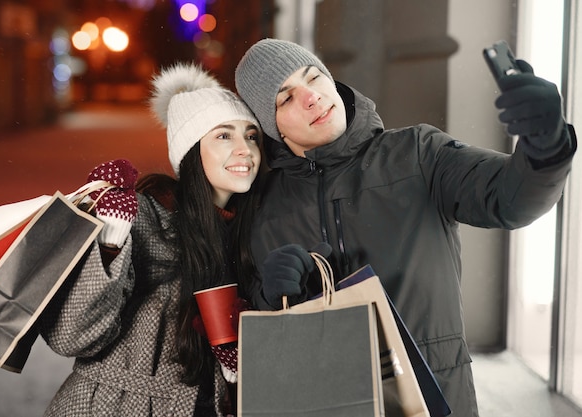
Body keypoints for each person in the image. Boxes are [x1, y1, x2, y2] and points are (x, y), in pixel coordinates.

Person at [234, 38, 577, 416]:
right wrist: (270, 295)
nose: (311, 97)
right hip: (332, 403)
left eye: (314, 78)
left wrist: (546, 145)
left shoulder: (418, 153)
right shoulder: (262, 208)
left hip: (437, 400)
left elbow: (510, 200)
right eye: (285, 98)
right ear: (272, 128)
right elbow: (258, 338)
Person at [38, 63, 265, 416]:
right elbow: (70, 336)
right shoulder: (144, 219)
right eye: (224, 135)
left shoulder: (249, 231)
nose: (245, 149)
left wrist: (236, 360)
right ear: (190, 152)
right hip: (112, 407)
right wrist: (111, 237)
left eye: (251, 135)